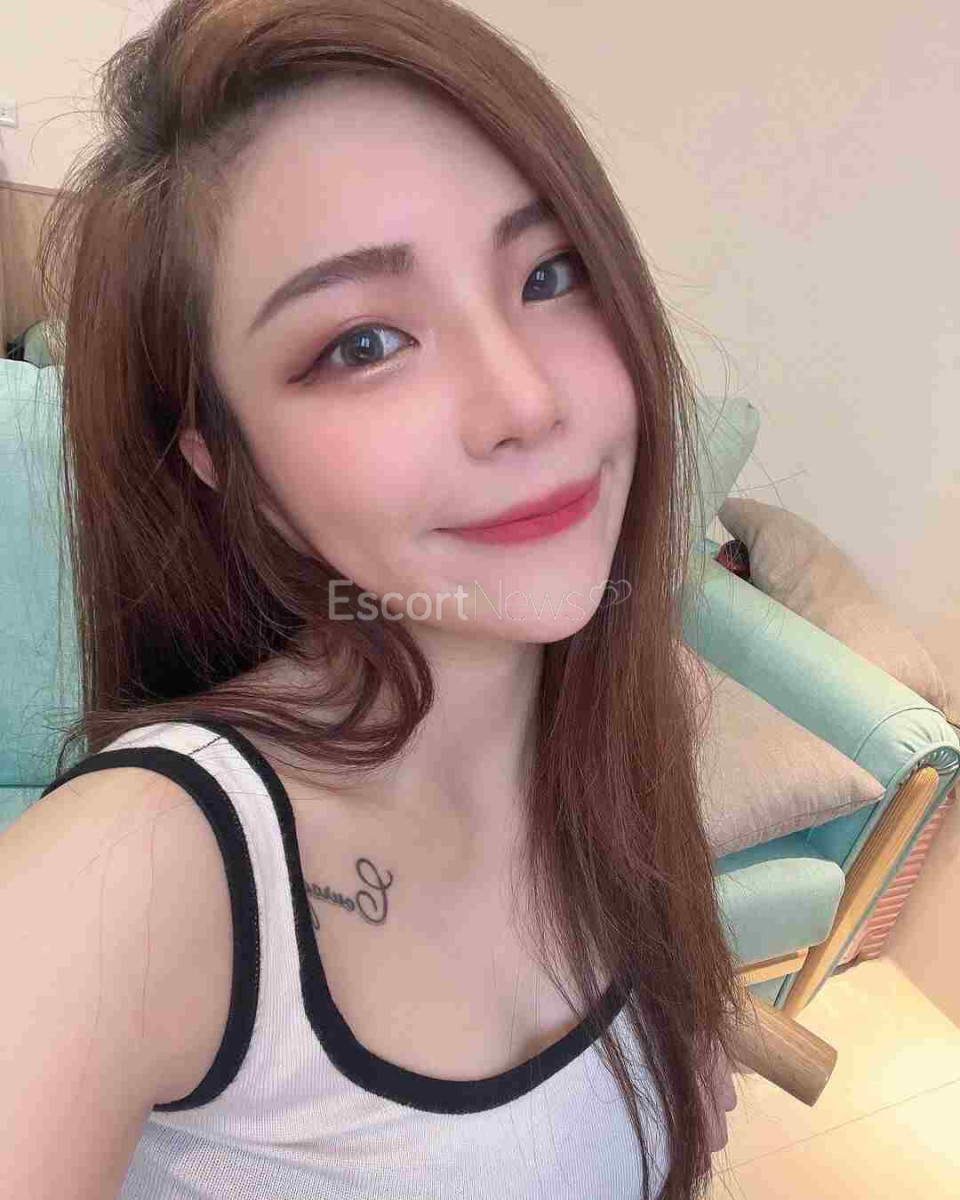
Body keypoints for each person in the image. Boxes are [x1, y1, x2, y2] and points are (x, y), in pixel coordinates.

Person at [4, 0, 746, 1197]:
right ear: (222, 458)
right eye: (362, 344)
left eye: (551, 273)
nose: (524, 402)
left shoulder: (617, 733)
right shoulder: (128, 876)